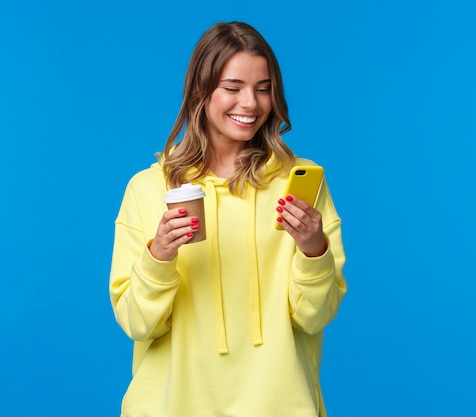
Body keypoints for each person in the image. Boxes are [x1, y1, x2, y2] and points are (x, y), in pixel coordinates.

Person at [109, 21, 347, 417]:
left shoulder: (300, 184)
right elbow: (137, 324)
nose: (251, 104)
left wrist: (313, 250)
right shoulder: (148, 189)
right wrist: (159, 258)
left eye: (264, 88)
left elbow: (314, 317)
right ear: (200, 92)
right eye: (233, 88)